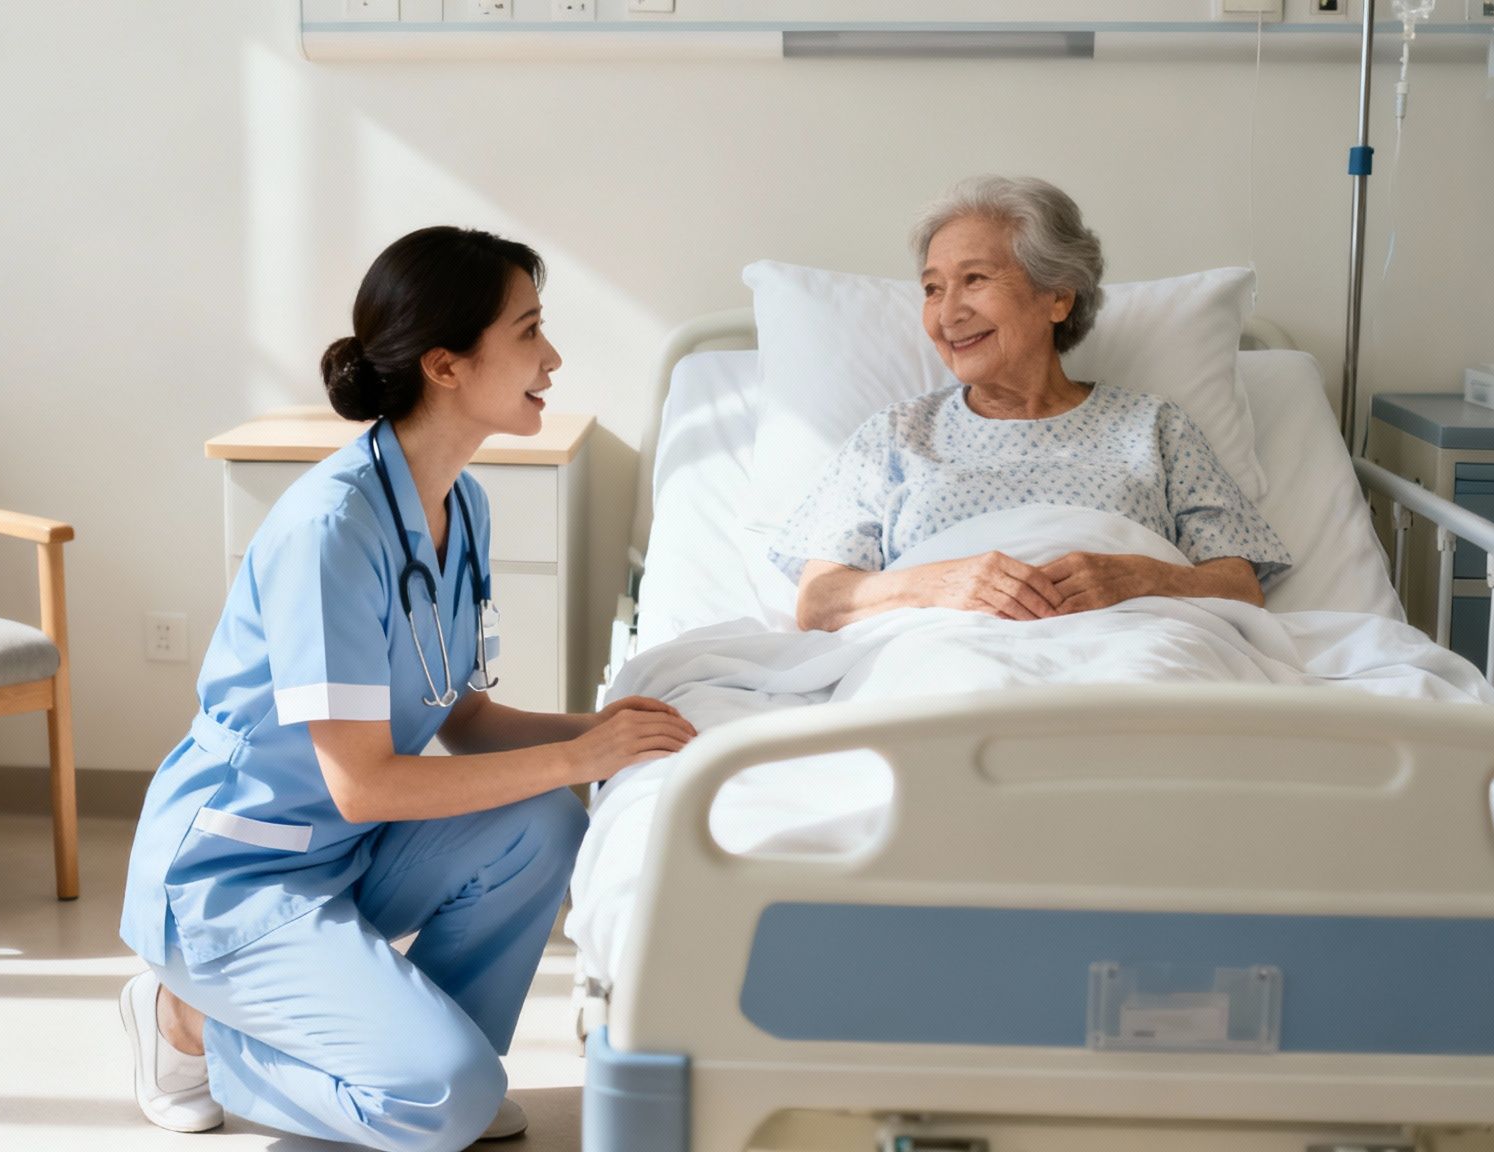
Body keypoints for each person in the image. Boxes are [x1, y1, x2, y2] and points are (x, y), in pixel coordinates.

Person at [118, 225, 695, 1150]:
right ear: (447, 365)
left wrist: (608, 732)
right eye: (529, 332)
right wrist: (579, 754)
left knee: (547, 819)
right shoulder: (329, 530)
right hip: (237, 874)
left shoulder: (460, 503)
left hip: (346, 853)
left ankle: (441, 1060)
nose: (552, 357)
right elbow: (366, 783)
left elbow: (463, 718)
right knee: (440, 1105)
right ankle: (184, 1023)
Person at [773, 175, 1291, 632]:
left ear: (1058, 298)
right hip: (945, 664)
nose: (948, 313)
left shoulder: (1152, 426)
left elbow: (1241, 587)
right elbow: (819, 602)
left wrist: (1144, 577)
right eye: (933, 289)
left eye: (975, 279)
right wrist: (941, 584)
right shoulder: (897, 435)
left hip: (1130, 658)